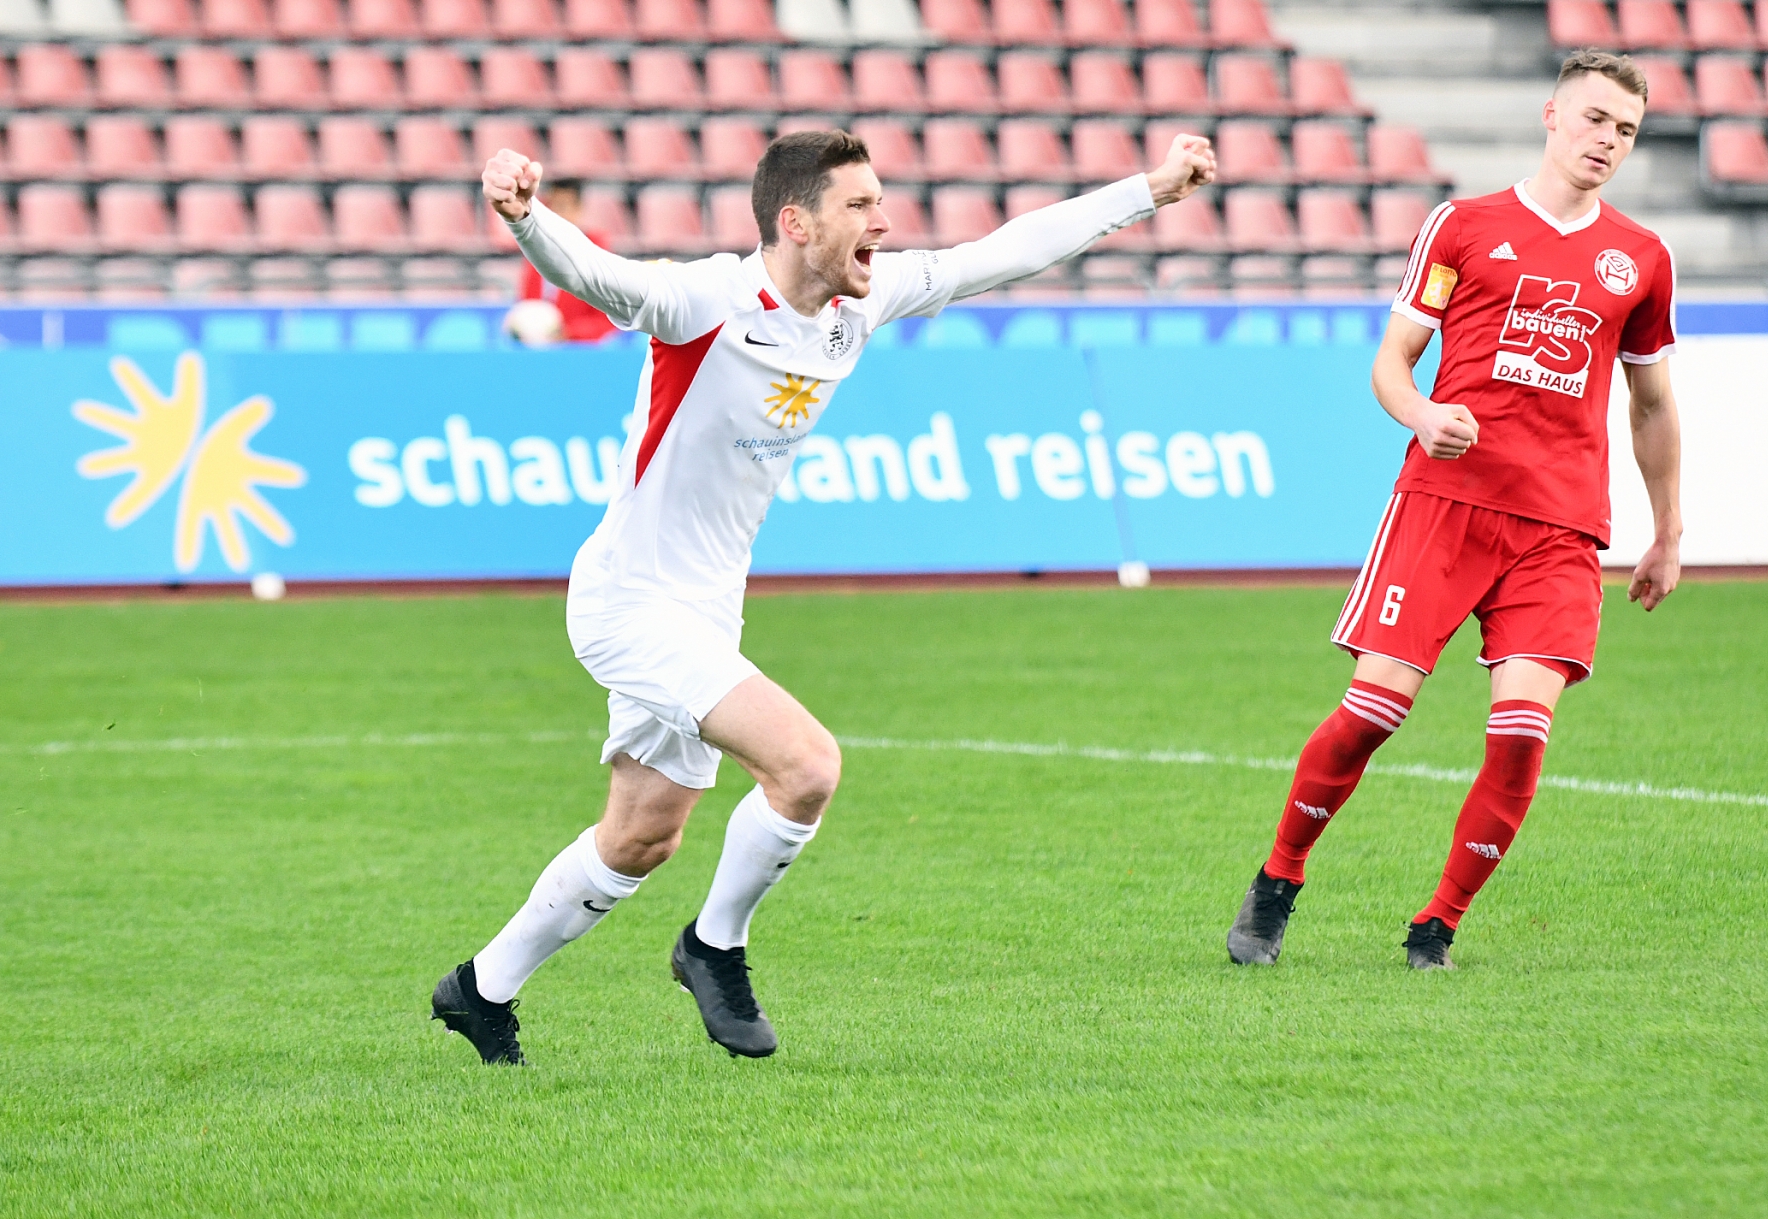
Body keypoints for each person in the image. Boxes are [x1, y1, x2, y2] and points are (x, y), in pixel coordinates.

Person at [434, 129, 1218, 1063]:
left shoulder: (861, 300)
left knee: (642, 834)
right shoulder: (705, 303)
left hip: (706, 608)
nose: (882, 223)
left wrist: (1150, 191)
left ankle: (480, 990)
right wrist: (528, 218)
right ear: (796, 221)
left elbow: (1001, 252)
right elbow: (607, 279)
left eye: (880, 203)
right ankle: (712, 947)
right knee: (805, 767)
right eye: (860, 206)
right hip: (628, 603)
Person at [1225, 49, 1683, 972]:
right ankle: (1279, 877)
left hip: (1560, 526)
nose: (1608, 140)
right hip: (1445, 505)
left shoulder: (1640, 259)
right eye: (1595, 118)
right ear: (1551, 114)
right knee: (1372, 712)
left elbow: (1651, 404)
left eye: (1626, 130)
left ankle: (1436, 927)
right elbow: (1392, 361)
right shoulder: (1463, 227)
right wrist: (1424, 412)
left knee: (1519, 739)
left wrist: (1668, 529)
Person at [507, 180, 618, 344]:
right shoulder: (535, 253)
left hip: (580, 354)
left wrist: (568, 333)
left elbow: (608, 320)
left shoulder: (598, 256)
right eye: (552, 207)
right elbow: (527, 304)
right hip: (540, 353)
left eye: (563, 207)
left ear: (578, 209)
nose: (556, 215)